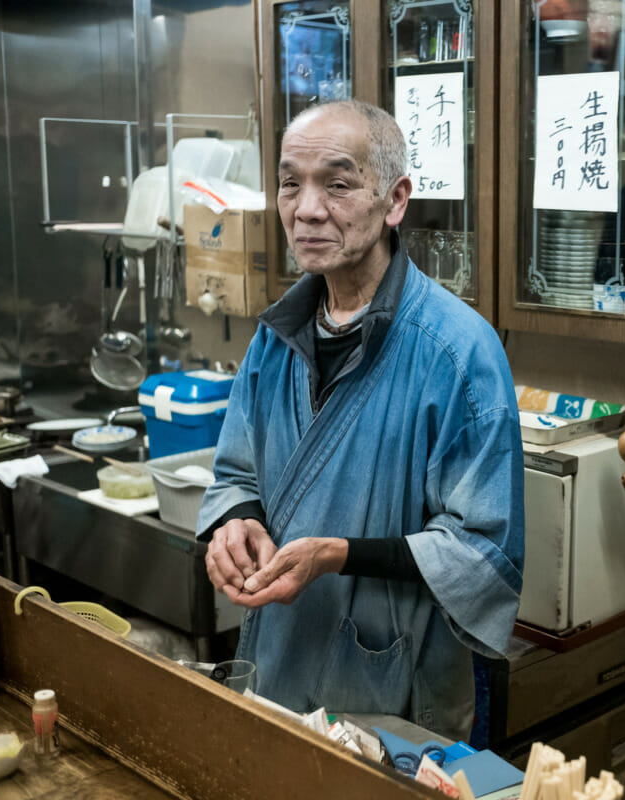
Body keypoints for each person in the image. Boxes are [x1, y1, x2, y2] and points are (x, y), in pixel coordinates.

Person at [196, 99, 524, 740]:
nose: (307, 208)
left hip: (393, 687)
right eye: (291, 182)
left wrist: (337, 555)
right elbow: (236, 474)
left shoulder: (458, 353)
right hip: (277, 668)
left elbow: (483, 550)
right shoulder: (275, 338)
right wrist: (236, 525)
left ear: (395, 200)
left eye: (338, 184)